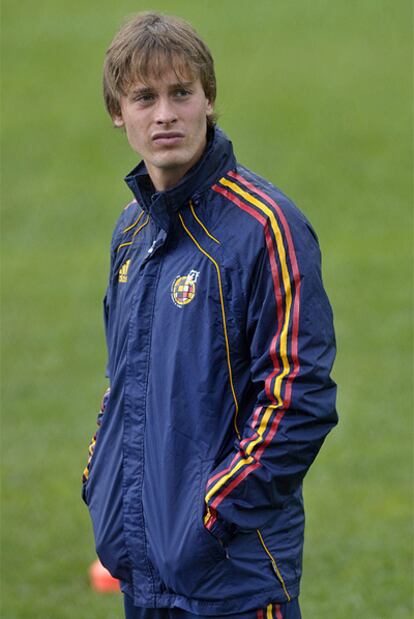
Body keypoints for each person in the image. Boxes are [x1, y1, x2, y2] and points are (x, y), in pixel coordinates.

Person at [82, 12, 338, 619]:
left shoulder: (264, 227)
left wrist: (213, 512)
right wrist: (104, 479)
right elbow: (123, 381)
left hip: (233, 578)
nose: (165, 114)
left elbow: (299, 396)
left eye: (181, 93)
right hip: (142, 566)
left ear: (209, 100)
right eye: (145, 97)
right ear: (119, 113)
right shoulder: (131, 234)